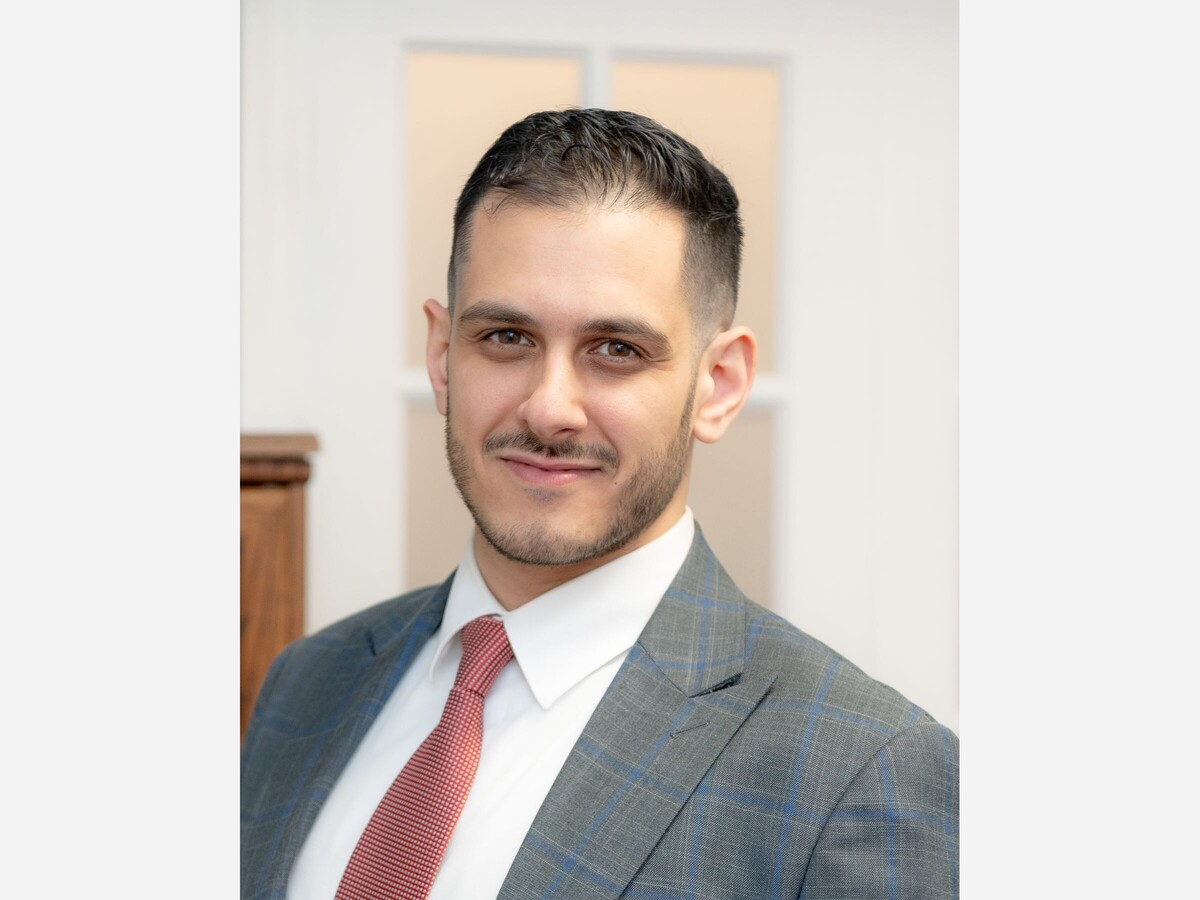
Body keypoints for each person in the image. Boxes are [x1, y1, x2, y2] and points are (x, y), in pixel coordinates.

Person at [241, 108, 959, 900]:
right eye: (506, 337)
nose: (549, 409)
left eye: (617, 349)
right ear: (442, 357)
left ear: (718, 386)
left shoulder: (863, 774)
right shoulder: (307, 682)